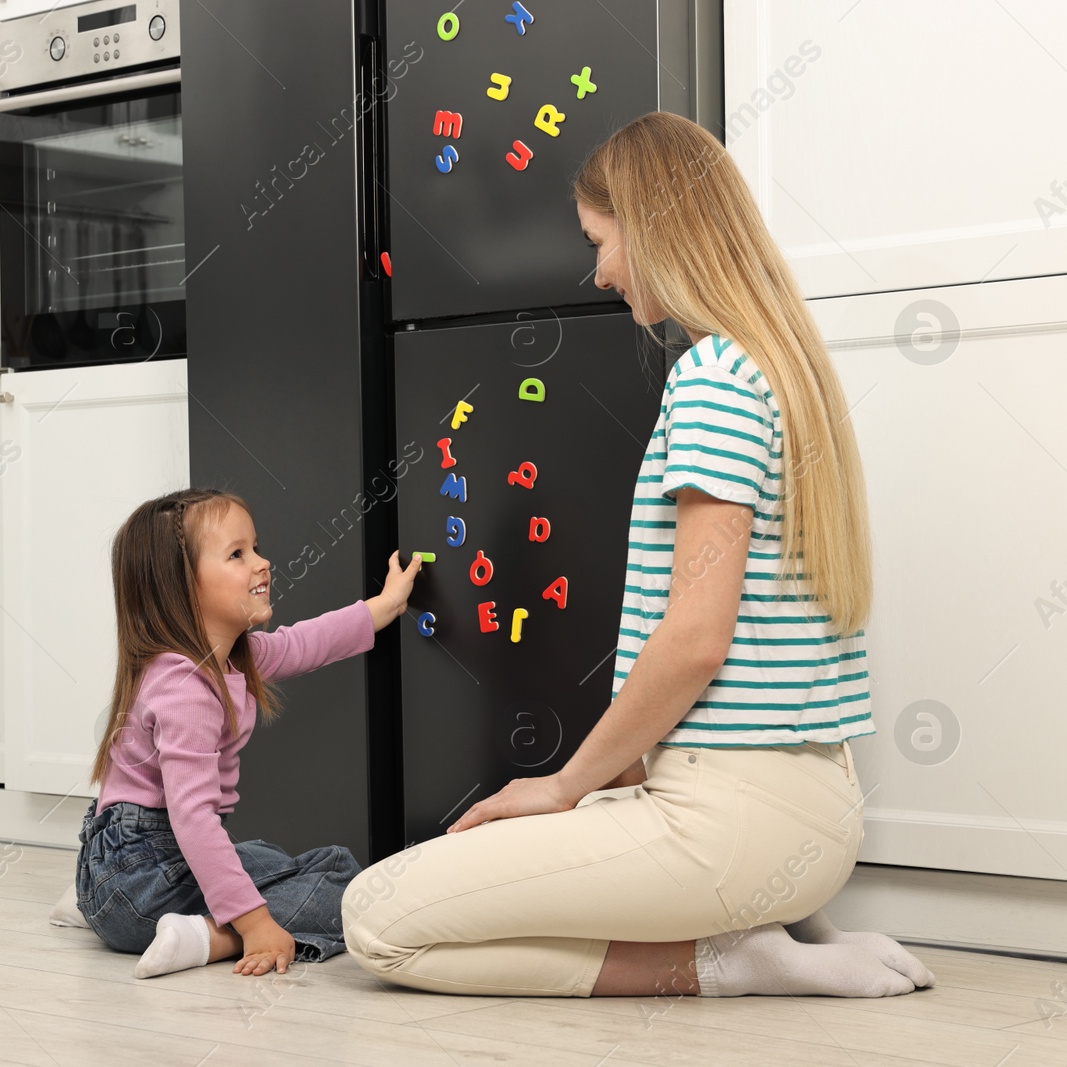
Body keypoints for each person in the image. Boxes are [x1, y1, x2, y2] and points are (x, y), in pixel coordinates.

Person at [342, 112, 936, 1000]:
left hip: (731, 819)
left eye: (600, 241)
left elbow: (696, 638)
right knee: (530, 850)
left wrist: (561, 787)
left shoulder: (711, 381)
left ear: (650, 226)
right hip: (809, 813)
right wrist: (604, 787)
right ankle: (771, 932)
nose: (600, 271)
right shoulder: (781, 368)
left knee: (376, 916)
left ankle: (730, 961)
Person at [59, 488, 420, 979]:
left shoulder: (229, 658)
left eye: (255, 547)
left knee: (301, 860)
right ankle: (204, 937)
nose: (262, 562)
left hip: (133, 864)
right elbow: (193, 820)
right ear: (180, 586)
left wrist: (386, 604)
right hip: (142, 877)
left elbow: (307, 643)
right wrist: (253, 924)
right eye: (237, 554)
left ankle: (98, 902)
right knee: (347, 893)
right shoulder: (185, 686)